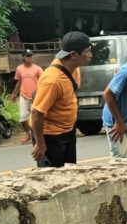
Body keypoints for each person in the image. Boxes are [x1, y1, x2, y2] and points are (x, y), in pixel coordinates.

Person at [29, 32, 91, 168]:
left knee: (69, 171)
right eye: (87, 52)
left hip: (68, 130)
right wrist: (40, 144)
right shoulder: (52, 80)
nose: (90, 55)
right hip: (51, 135)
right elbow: (36, 113)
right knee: (52, 177)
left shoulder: (73, 68)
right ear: (74, 54)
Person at [12, 49, 43, 143]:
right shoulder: (19, 68)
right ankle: (27, 133)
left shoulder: (37, 68)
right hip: (23, 95)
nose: (29, 58)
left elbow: (43, 81)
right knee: (22, 118)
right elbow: (18, 82)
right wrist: (14, 93)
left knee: (35, 117)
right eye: (27, 56)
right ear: (23, 57)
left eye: (30, 56)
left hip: (35, 96)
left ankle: (36, 134)